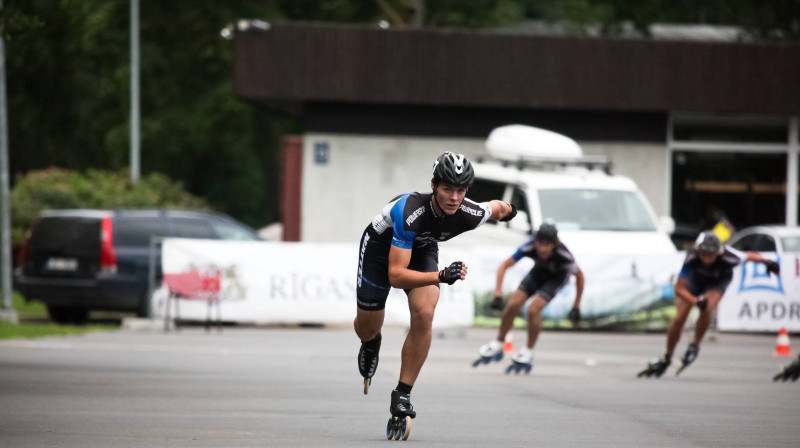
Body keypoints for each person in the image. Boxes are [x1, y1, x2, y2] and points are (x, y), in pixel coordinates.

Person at [354, 152, 516, 423]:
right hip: (380, 251)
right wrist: (439, 275)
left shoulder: (468, 212)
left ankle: (403, 393)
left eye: (461, 190)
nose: (454, 197)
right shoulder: (410, 212)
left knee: (425, 314)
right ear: (433, 186)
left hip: (422, 248)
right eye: (447, 189)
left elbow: (497, 208)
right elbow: (396, 276)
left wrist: (513, 211)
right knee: (368, 326)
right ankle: (371, 343)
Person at [639, 230, 780, 378]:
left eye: (710, 254)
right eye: (703, 253)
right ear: (698, 251)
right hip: (696, 281)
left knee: (706, 307)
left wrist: (768, 262)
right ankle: (667, 357)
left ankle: (694, 345)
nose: (706, 258)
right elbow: (679, 289)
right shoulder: (692, 258)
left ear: (718, 253)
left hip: (718, 282)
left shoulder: (729, 257)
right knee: (679, 318)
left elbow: (750, 255)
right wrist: (694, 301)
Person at [475, 223, 584, 374]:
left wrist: (576, 306)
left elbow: (580, 277)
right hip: (538, 273)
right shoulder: (529, 246)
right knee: (513, 304)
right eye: (540, 244)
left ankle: (528, 350)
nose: (542, 249)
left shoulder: (563, 254)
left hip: (556, 278)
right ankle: (499, 342)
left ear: (554, 244)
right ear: (536, 241)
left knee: (533, 309)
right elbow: (503, 266)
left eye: (547, 245)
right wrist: (498, 294)